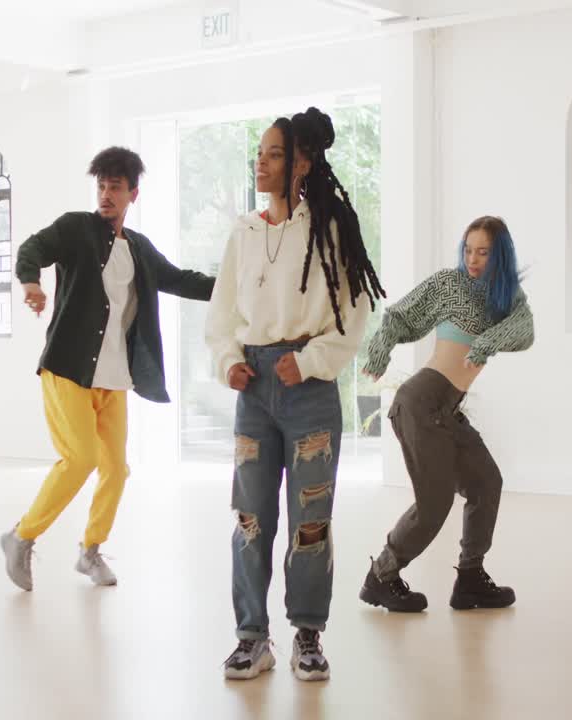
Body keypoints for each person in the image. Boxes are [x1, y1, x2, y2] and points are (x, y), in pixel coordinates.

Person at [205, 107, 384, 681]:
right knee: (250, 518)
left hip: (309, 390)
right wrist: (230, 361)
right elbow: (221, 315)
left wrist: (306, 362)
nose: (261, 161)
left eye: (275, 153)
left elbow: (354, 316)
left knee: (311, 520)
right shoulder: (244, 232)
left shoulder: (329, 230)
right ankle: (251, 637)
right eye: (259, 152)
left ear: (302, 163)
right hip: (254, 390)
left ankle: (307, 633)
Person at [0, 147, 214, 590]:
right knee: (80, 459)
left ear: (133, 193)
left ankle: (90, 551)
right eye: (101, 186)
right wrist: (31, 284)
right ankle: (21, 537)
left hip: (113, 378)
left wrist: (234, 286)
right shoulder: (75, 228)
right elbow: (33, 248)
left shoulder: (138, 248)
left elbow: (180, 280)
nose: (106, 194)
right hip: (68, 369)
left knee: (116, 469)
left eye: (115, 187)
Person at [358, 215, 533, 613]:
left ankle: (470, 579)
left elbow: (525, 331)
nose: (472, 259)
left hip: (447, 410)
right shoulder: (450, 284)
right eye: (468, 250)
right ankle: (381, 577)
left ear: (500, 255)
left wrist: (489, 340)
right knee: (434, 505)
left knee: (486, 482)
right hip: (421, 403)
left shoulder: (508, 299)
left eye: (483, 252)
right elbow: (400, 316)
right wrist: (382, 348)